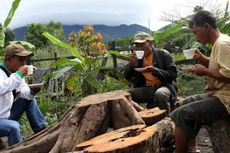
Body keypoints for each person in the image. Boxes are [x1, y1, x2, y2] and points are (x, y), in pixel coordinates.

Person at [170, 10, 230, 153]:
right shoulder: (219, 42)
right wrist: (205, 60)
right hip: (218, 94)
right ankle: (191, 147)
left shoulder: (222, 43)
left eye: (196, 32)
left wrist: (205, 71)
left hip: (226, 98)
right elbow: (222, 65)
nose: (196, 37)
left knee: (181, 114)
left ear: (207, 27)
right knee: (182, 104)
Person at [0, 43, 47, 146]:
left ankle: (42, 131)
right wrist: (19, 75)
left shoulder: (15, 74)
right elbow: (2, 88)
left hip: (6, 116)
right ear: (9, 59)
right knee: (14, 127)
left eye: (24, 60)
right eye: (20, 60)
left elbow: (24, 93)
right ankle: (18, 149)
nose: (23, 63)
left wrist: (32, 92)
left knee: (30, 100)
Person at [123, 32, 177, 113]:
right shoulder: (137, 59)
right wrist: (131, 65)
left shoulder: (162, 54)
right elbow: (127, 77)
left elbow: (173, 74)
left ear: (150, 43)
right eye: (137, 45)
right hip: (148, 89)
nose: (139, 48)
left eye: (142, 44)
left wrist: (154, 70)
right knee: (125, 95)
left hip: (164, 86)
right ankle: (138, 117)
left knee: (160, 94)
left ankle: (166, 119)